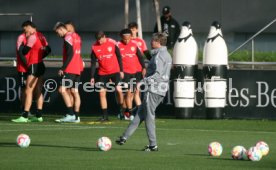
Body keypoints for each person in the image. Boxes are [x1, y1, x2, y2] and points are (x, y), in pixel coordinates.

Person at [116, 33, 172, 151]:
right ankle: (124, 137)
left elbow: (157, 74)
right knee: (141, 113)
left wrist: (142, 83)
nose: (151, 42)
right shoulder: (166, 54)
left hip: (154, 89)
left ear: (158, 42)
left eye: (153, 41)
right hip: (161, 89)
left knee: (149, 116)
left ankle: (153, 145)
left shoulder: (159, 56)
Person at [12, 20, 51, 123]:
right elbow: (48, 49)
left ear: (29, 27)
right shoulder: (41, 35)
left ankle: (24, 116)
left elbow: (24, 51)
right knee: (38, 90)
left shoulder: (32, 37)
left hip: (34, 65)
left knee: (28, 91)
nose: (25, 32)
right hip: (41, 64)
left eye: (26, 30)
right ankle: (39, 115)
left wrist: (24, 44)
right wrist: (40, 56)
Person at [90, 31, 124, 121]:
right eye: (98, 40)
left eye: (101, 39)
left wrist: (121, 70)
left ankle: (121, 110)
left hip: (115, 71)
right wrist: (92, 77)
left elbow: (119, 56)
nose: (99, 42)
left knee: (119, 90)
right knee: (101, 93)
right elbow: (93, 63)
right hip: (102, 73)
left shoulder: (112, 43)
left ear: (104, 36)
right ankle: (105, 116)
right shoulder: (94, 47)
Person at [53, 22, 83, 123]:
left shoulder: (67, 37)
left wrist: (63, 68)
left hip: (70, 68)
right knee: (74, 92)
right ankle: (76, 116)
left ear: (61, 29)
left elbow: (70, 54)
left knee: (62, 90)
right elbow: (78, 52)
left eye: (58, 32)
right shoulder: (76, 36)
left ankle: (70, 114)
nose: (58, 35)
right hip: (78, 68)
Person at [117, 28, 146, 120]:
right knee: (128, 93)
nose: (127, 40)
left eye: (128, 38)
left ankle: (125, 113)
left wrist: (144, 67)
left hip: (134, 73)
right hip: (124, 73)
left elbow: (141, 57)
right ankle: (129, 113)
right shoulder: (117, 45)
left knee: (131, 93)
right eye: (125, 38)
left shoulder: (134, 45)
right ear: (121, 37)